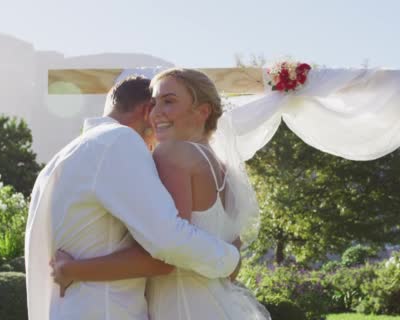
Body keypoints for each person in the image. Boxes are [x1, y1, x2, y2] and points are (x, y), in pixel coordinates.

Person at [51, 68, 269, 320]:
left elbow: (165, 252)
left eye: (169, 101)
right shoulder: (225, 171)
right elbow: (231, 261)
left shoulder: (171, 154)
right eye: (154, 103)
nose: (155, 113)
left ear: (202, 111)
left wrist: (72, 270)